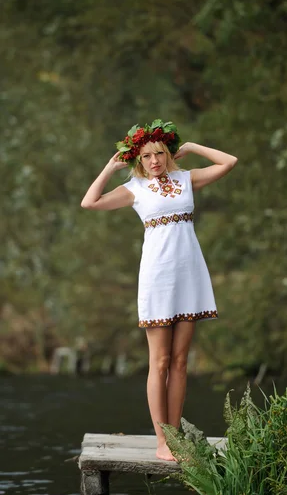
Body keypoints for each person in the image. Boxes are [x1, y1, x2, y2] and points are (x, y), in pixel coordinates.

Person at [81, 120, 237, 461]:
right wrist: (110, 167)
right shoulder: (134, 188)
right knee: (160, 361)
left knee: (181, 362)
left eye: (161, 153)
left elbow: (229, 162)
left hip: (190, 275)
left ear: (169, 154)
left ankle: (177, 436)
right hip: (157, 278)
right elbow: (89, 203)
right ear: (138, 157)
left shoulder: (186, 179)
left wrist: (193, 146)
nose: (155, 161)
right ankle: (162, 441)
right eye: (148, 155)